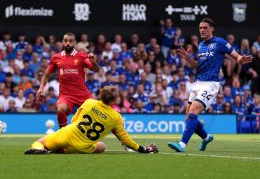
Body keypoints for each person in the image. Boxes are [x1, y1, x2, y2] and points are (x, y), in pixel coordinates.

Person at [168, 18, 253, 152]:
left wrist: (239, 58)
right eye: (200, 28)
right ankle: (206, 137)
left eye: (205, 27)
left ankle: (182, 144)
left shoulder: (219, 42)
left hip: (211, 83)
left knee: (194, 109)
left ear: (212, 29)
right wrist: (187, 58)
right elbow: (197, 65)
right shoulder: (201, 45)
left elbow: (235, 56)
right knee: (188, 117)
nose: (202, 30)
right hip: (198, 83)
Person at [25, 86, 158, 154]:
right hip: (82, 147)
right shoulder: (116, 117)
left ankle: (41, 149)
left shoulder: (89, 102)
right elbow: (125, 139)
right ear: (112, 101)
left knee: (39, 142)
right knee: (101, 146)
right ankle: (64, 150)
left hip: (68, 133)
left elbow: (74, 120)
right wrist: (142, 149)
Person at [36, 32, 100, 128]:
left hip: (82, 94)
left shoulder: (82, 56)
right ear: (62, 42)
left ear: (75, 42)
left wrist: (93, 62)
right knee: (61, 109)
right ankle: (64, 134)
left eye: (70, 41)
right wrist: (41, 88)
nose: (67, 43)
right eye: (65, 41)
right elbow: (46, 75)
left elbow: (96, 70)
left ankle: (90, 138)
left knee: (95, 114)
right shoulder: (56, 58)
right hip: (66, 95)